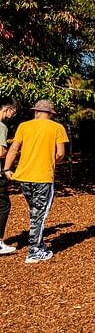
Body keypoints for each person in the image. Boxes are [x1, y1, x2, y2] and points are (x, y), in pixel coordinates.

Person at [3, 99, 69, 264]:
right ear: (51, 114)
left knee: (35, 211)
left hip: (24, 177)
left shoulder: (24, 126)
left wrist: (6, 169)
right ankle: (34, 250)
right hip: (43, 177)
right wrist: (49, 160)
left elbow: (13, 148)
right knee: (39, 214)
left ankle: (37, 243)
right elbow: (60, 154)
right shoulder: (57, 128)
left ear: (36, 112)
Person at [0, 97, 19, 254]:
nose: (13, 115)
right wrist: (12, 149)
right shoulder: (1, 126)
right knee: (4, 205)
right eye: (13, 112)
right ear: (7, 109)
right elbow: (1, 151)